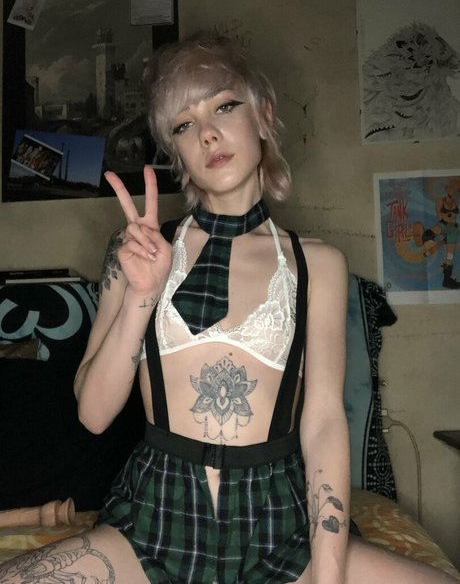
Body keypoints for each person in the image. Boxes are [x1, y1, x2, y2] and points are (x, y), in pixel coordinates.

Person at [1, 34, 457, 584]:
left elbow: (323, 422)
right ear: (176, 150)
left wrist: (329, 571)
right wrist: (143, 294)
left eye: (223, 106)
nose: (208, 133)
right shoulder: (137, 250)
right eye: (184, 124)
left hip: (280, 522)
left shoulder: (319, 265)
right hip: (154, 518)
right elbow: (94, 414)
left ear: (263, 115)